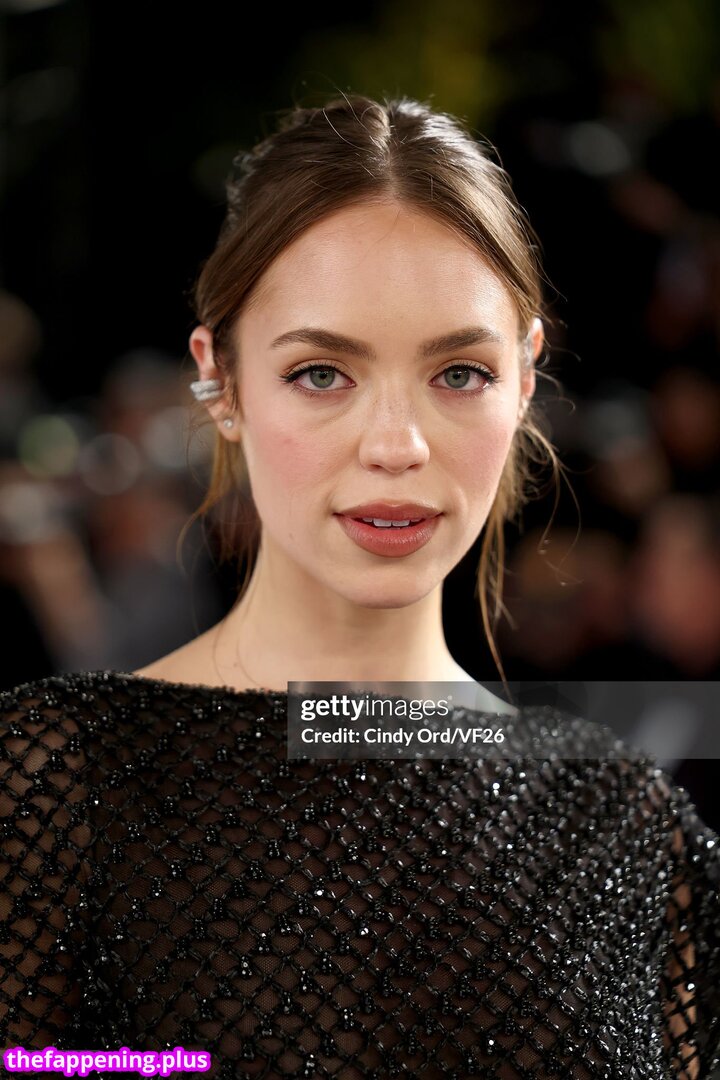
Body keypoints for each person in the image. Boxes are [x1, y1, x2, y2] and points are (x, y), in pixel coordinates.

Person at [1, 92, 719, 1080]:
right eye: (321, 373)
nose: (397, 446)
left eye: (458, 372)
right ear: (221, 381)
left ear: (525, 378)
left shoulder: (627, 826)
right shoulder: (54, 790)